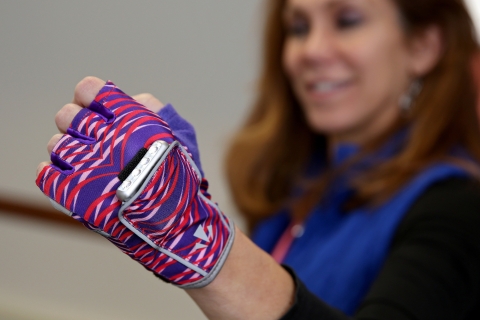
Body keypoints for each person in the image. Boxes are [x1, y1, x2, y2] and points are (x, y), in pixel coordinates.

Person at [36, 0, 480, 319]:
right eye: (299, 27)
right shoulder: (297, 188)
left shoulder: (456, 206)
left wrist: (199, 236)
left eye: (347, 20)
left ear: (423, 45)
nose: (312, 50)